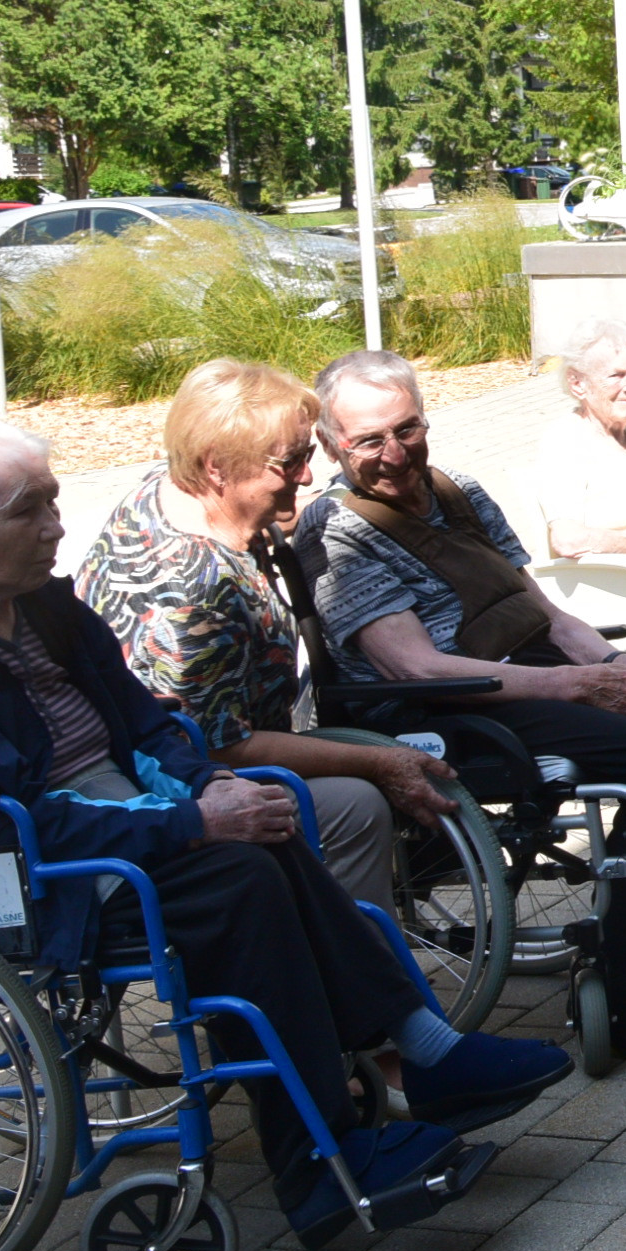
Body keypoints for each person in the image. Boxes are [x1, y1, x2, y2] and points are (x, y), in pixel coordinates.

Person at [0, 420, 567, 1249]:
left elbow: (146, 724)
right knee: (240, 877)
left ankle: (413, 1064)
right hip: (19, 866)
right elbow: (3, 814)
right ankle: (323, 1161)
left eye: (52, 503)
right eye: (27, 511)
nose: (55, 526)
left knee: (263, 816)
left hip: (126, 816)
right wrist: (192, 821)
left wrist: (201, 783)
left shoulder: (45, 604)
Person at [294, 351, 626, 1063]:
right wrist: (576, 687)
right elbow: (413, 665)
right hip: (439, 706)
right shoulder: (338, 531)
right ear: (332, 445)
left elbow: (542, 612)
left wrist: (613, 665)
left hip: (523, 673)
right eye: (369, 441)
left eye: (408, 428)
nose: (395, 454)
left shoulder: (460, 491)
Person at [77, 358, 456, 914]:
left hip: (206, 748)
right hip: (177, 782)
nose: (306, 476)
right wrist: (376, 762)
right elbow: (215, 744)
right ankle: (354, 967)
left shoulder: (189, 497)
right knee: (355, 803)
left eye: (306, 455)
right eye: (291, 462)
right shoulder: (188, 585)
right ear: (216, 469)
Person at [534, 320, 626, 562]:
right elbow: (568, 539)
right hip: (624, 574)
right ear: (578, 384)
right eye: (617, 376)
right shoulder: (565, 442)